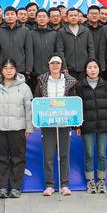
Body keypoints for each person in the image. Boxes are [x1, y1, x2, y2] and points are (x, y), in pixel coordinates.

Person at [0, 59, 33, 198]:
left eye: (11, 68)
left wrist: (29, 128)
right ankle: (2, 187)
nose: (8, 71)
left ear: (16, 70)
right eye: (6, 68)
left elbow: (29, 110)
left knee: (18, 158)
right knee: (1, 158)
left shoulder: (24, 87)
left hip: (18, 129)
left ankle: (15, 187)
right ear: (1, 70)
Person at [34, 56, 77, 196]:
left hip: (64, 122)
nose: (55, 65)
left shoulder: (69, 81)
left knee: (64, 154)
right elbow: (37, 100)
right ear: (48, 65)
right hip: (48, 123)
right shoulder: (42, 80)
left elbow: (74, 102)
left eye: (58, 63)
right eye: (52, 63)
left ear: (61, 65)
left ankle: (65, 184)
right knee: (48, 155)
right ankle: (50, 185)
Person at [76, 60, 107, 194]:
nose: (92, 70)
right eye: (89, 67)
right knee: (89, 153)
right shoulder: (80, 86)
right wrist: (77, 126)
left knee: (102, 154)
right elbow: (76, 107)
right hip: (86, 125)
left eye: (95, 67)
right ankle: (90, 181)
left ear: (99, 69)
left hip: (103, 124)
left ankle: (101, 181)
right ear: (85, 70)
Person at [0, 7, 33, 78]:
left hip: (21, 68)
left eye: (12, 14)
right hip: (4, 68)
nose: (10, 16)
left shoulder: (25, 30)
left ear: (16, 16)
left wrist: (28, 69)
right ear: (4, 17)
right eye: (7, 14)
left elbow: (28, 50)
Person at [56, 8, 95, 80]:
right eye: (71, 16)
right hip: (69, 68)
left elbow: (91, 48)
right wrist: (64, 67)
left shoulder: (86, 31)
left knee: (83, 86)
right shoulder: (61, 32)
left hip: (84, 67)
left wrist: (90, 65)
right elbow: (60, 51)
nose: (73, 17)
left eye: (75, 15)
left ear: (78, 17)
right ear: (67, 18)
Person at [30, 9, 60, 86]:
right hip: (35, 72)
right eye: (39, 17)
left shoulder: (54, 34)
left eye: (44, 16)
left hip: (51, 70)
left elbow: (57, 52)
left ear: (48, 19)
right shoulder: (30, 33)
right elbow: (29, 51)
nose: (42, 19)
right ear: (36, 19)